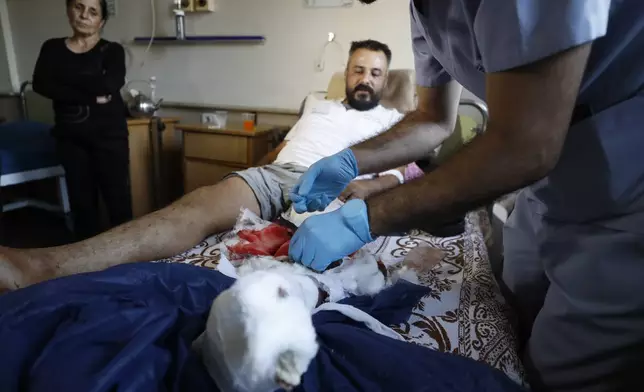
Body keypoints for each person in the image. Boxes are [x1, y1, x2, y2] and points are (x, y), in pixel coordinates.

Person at [287, 1, 644, 391]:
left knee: (562, 371)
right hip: (548, 182)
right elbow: (433, 118)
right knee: (510, 310)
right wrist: (351, 160)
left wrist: (365, 218)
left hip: (627, 178)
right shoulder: (425, 11)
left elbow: (526, 144)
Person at [0, 39, 408, 291]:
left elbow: (410, 170)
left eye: (375, 72)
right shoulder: (317, 106)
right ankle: (39, 266)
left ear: (385, 79)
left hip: (341, 188)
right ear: (348, 72)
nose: (365, 78)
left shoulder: (392, 121)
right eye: (358, 69)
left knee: (315, 267)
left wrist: (373, 187)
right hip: (278, 175)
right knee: (197, 205)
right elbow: (282, 148)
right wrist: (249, 175)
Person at [33, 0, 131, 241]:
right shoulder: (52, 48)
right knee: (82, 205)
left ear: (102, 21)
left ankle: (132, 262)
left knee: (118, 202)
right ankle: (87, 266)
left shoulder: (112, 51)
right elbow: (41, 84)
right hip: (71, 139)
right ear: (68, 10)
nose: (84, 15)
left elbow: (110, 85)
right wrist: (91, 95)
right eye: (78, 7)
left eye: (93, 11)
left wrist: (65, 87)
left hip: (110, 138)